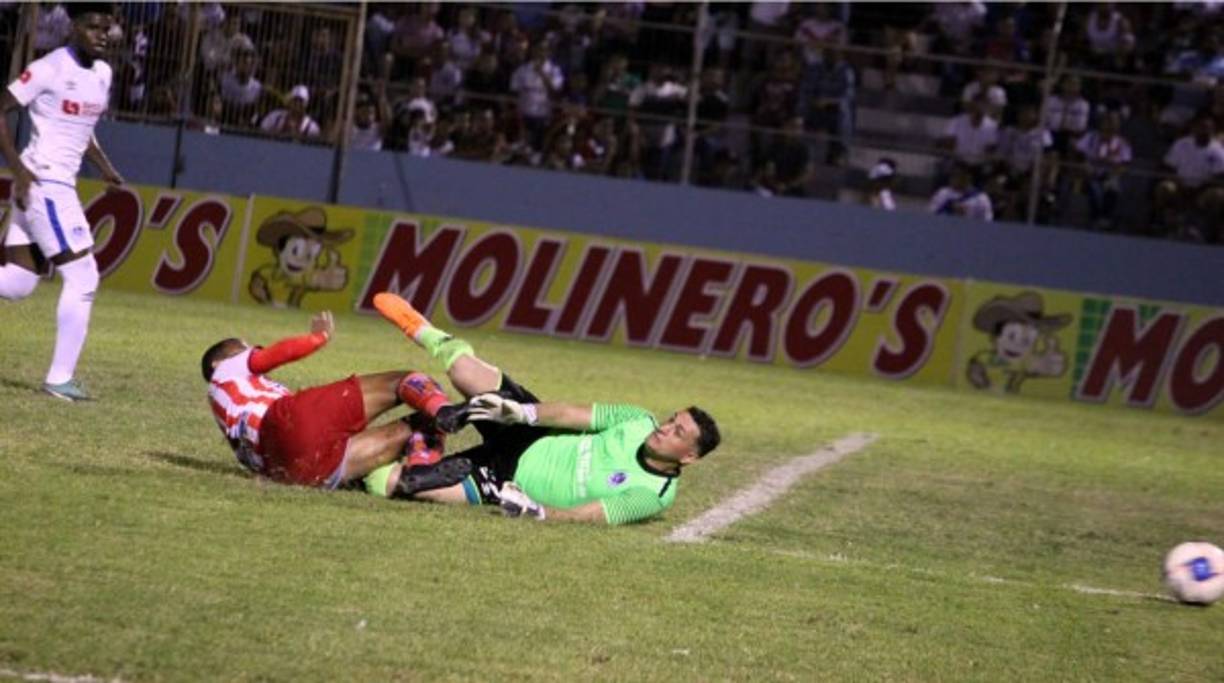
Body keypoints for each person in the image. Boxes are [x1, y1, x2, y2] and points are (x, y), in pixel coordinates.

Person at [365, 292, 722, 525]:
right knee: (463, 370)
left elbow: (589, 515)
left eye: (678, 432)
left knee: (391, 484)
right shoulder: (637, 420)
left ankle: (425, 442)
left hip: (505, 481)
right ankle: (427, 332)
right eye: (672, 419)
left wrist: (537, 512)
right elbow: (569, 414)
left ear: (689, 457)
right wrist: (519, 413)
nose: (664, 427)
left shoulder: (653, 495)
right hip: (531, 432)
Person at [200, 310, 471, 494]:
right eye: (243, 347)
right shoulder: (223, 371)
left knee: (421, 424)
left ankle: (419, 475)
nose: (250, 350)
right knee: (404, 381)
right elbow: (269, 357)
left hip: (291, 471)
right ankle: (445, 411)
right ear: (218, 362)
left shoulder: (229, 410)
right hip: (285, 422)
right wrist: (317, 339)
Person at [0, 4, 124, 401]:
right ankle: (59, 379)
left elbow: (82, 129)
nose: (102, 35)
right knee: (84, 277)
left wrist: (105, 167)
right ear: (73, 28)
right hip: (44, 182)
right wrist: (18, 170)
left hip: (53, 183)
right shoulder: (49, 67)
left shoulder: (103, 74)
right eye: (93, 27)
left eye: (107, 28)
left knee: (18, 283)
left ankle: (59, 378)